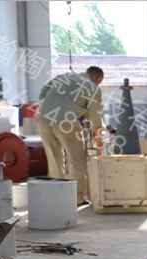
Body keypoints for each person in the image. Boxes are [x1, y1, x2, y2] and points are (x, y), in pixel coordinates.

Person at [37, 66, 104, 205]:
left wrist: (45, 107)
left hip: (43, 118)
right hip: (65, 120)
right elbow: (95, 116)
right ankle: (76, 198)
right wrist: (98, 137)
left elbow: (42, 92)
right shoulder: (93, 88)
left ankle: (58, 196)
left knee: (54, 158)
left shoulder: (64, 77)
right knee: (76, 159)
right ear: (98, 78)